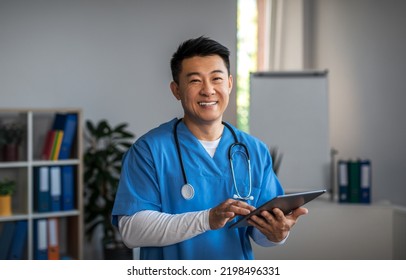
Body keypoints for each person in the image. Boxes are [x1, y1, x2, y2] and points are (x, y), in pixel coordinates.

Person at [111, 36, 308, 260]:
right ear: (176, 90)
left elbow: (259, 233)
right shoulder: (149, 150)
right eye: (195, 81)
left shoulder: (254, 150)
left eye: (216, 79)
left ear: (230, 83)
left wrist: (278, 235)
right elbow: (132, 231)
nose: (208, 90)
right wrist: (207, 219)